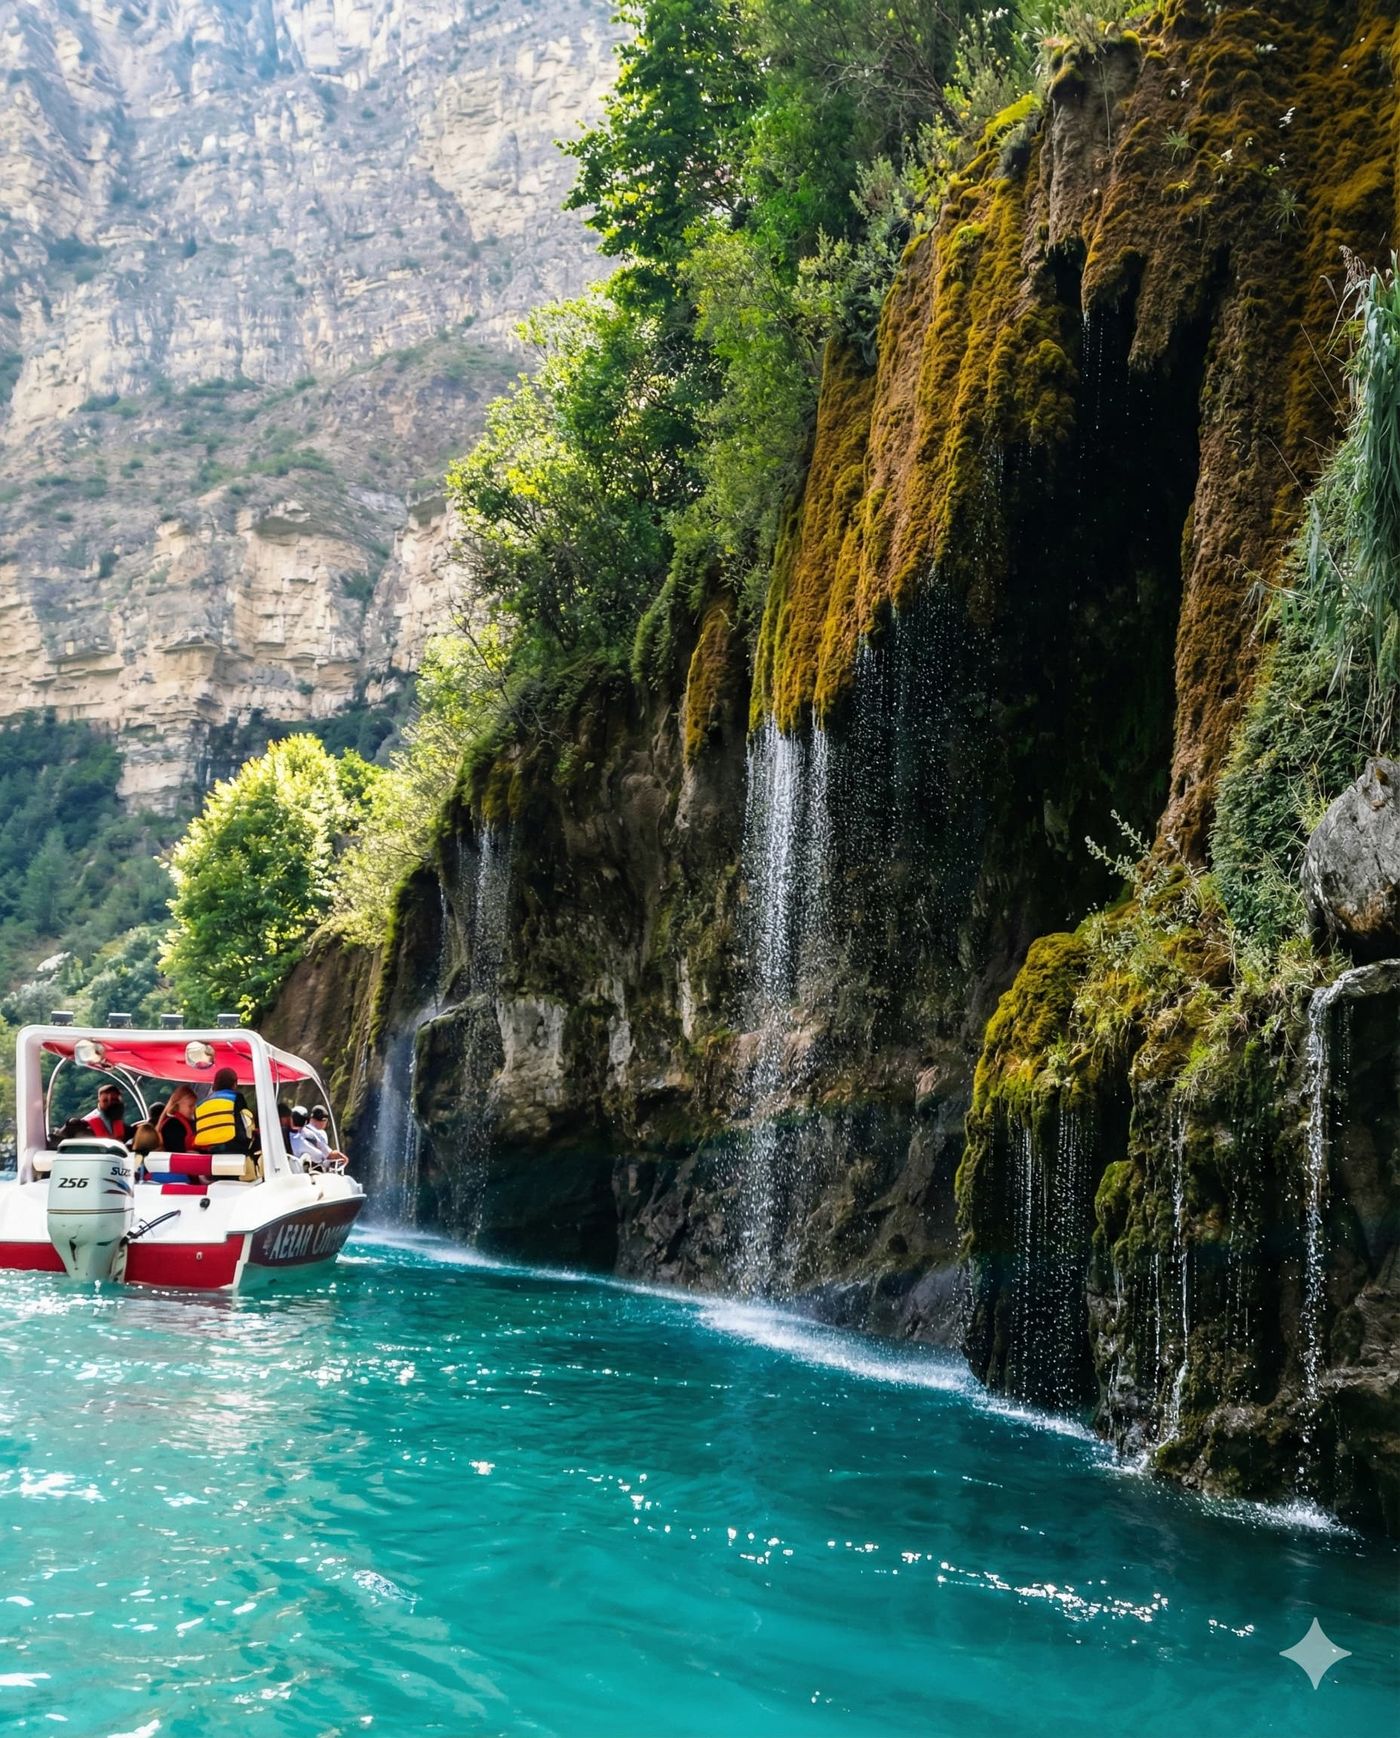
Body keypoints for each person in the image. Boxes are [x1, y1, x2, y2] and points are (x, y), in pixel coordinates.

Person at [192, 1067, 252, 1155]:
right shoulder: (235, 1097)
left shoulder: (200, 1105)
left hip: (207, 1150)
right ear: (234, 1084)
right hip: (232, 1147)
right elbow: (245, 1122)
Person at [303, 1104, 349, 1169]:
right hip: (312, 1169)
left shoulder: (301, 1130)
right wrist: (344, 1159)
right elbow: (329, 1155)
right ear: (324, 1120)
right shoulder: (319, 1134)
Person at [157, 1085, 198, 1153]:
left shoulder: (190, 1122)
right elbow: (176, 1151)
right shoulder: (172, 1125)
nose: (194, 1108)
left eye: (195, 1105)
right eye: (191, 1106)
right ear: (177, 1105)